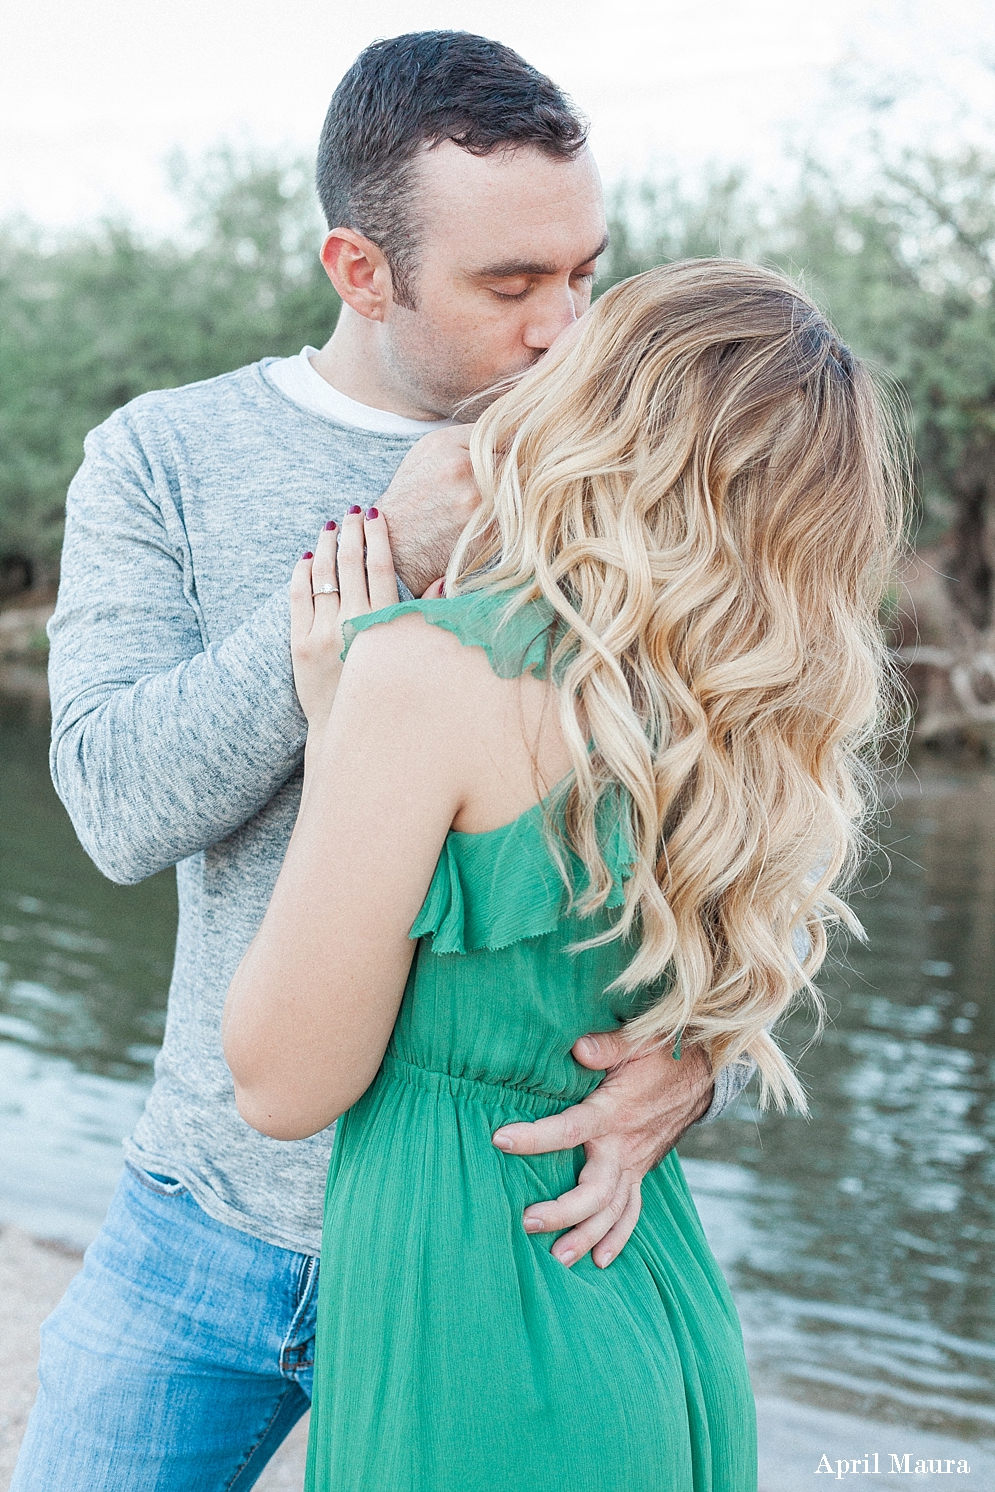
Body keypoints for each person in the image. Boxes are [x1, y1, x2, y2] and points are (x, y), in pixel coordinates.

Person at [12, 32, 753, 1492]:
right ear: (360, 270)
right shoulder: (163, 456)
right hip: (202, 1226)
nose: (563, 330)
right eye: (509, 287)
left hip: (503, 1228)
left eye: (582, 273)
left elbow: (755, 790)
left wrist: (704, 1050)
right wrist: (338, 636)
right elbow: (107, 808)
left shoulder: (636, 467)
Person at [222, 258, 902, 1491]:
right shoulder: (746, 726)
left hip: (476, 1344)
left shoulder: (425, 671)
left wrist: (343, 733)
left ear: (592, 413)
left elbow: (279, 1081)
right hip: (656, 1316)